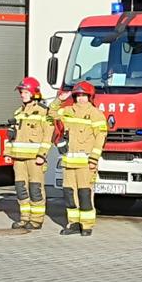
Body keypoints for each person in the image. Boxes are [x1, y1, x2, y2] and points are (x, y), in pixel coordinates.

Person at [54, 81, 109, 236]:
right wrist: (60, 99)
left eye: (84, 96)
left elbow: (100, 137)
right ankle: (73, 223)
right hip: (68, 163)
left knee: (84, 194)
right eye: (78, 96)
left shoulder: (95, 114)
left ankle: (86, 225)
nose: (81, 99)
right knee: (69, 194)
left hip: (86, 164)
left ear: (90, 97)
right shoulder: (68, 111)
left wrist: (94, 159)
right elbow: (51, 115)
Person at [5, 77, 56, 230]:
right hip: (18, 159)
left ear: (34, 93)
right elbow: (10, 136)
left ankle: (36, 219)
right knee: (21, 188)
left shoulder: (43, 112)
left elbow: (48, 136)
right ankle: (24, 218)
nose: (22, 94)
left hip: (35, 160)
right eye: (21, 92)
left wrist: (42, 155)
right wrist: (7, 153)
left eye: (25, 92)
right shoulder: (18, 113)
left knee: (35, 189)